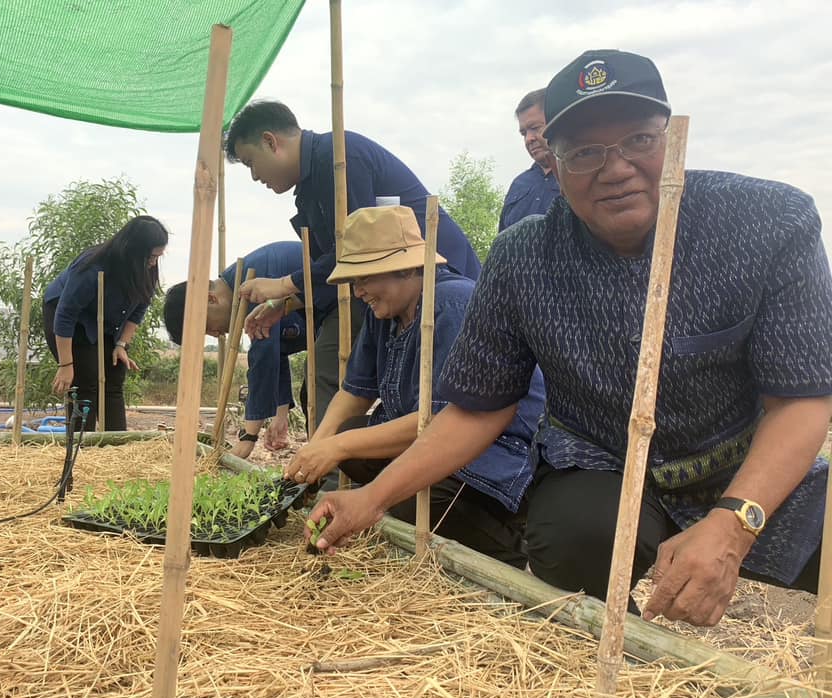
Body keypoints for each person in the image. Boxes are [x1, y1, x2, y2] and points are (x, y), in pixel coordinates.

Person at [306, 49, 832, 628]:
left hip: (744, 456)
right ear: (551, 163)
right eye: (584, 152)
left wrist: (735, 520)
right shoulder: (524, 257)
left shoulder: (770, 222)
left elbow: (801, 400)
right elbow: (478, 409)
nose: (615, 168)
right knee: (572, 538)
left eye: (638, 140)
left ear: (672, 138)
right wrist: (372, 498)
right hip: (602, 459)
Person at [285, 205, 545, 564]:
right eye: (354, 281)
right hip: (430, 438)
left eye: (365, 278)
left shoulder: (453, 305)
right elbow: (355, 392)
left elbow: (445, 422)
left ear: (407, 268)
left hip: (496, 449)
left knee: (409, 498)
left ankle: (514, 552)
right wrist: (319, 446)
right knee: (354, 444)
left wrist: (339, 447)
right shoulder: (385, 312)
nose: (358, 291)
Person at [223, 100, 481, 434]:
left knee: (342, 374)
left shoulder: (340, 159)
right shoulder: (309, 188)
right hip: (384, 289)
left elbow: (358, 254)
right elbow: (340, 273)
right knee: (329, 381)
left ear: (272, 142)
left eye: (250, 163)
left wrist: (285, 285)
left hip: (432, 280)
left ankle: (333, 469)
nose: (255, 176)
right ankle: (330, 463)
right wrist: (285, 305)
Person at [162, 241, 310, 459]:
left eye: (206, 327)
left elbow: (264, 355)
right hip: (332, 319)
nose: (216, 334)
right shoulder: (240, 283)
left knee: (321, 389)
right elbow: (278, 350)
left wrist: (248, 437)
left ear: (211, 299)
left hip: (351, 302)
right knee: (313, 395)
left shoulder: (251, 281)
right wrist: (280, 415)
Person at [43, 215, 168, 431]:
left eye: (158, 256)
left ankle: (116, 446)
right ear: (134, 251)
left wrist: (121, 345)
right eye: (151, 256)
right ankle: (83, 450)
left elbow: (139, 307)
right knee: (85, 380)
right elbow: (65, 314)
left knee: (115, 374)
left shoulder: (145, 269)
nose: (154, 262)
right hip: (71, 320)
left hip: (106, 321)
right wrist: (66, 365)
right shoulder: (92, 268)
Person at [497, 88, 560, 232]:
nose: (529, 139)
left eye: (535, 128)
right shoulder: (519, 184)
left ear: (556, 122)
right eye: (524, 133)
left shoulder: (579, 179)